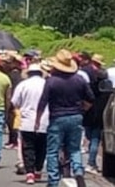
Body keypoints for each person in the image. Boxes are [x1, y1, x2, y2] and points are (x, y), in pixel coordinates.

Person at [36, 49, 93, 187]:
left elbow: (43, 101)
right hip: (76, 116)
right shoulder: (79, 80)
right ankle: (78, 171)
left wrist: (38, 119)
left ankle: (53, 180)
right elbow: (90, 98)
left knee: (52, 150)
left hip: (57, 117)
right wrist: (83, 109)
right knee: (75, 149)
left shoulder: (52, 81)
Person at [12, 61, 49, 185]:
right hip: (44, 121)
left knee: (28, 147)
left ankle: (29, 173)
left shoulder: (23, 85)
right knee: (42, 147)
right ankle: (38, 169)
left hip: (27, 121)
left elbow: (15, 102)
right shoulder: (46, 84)